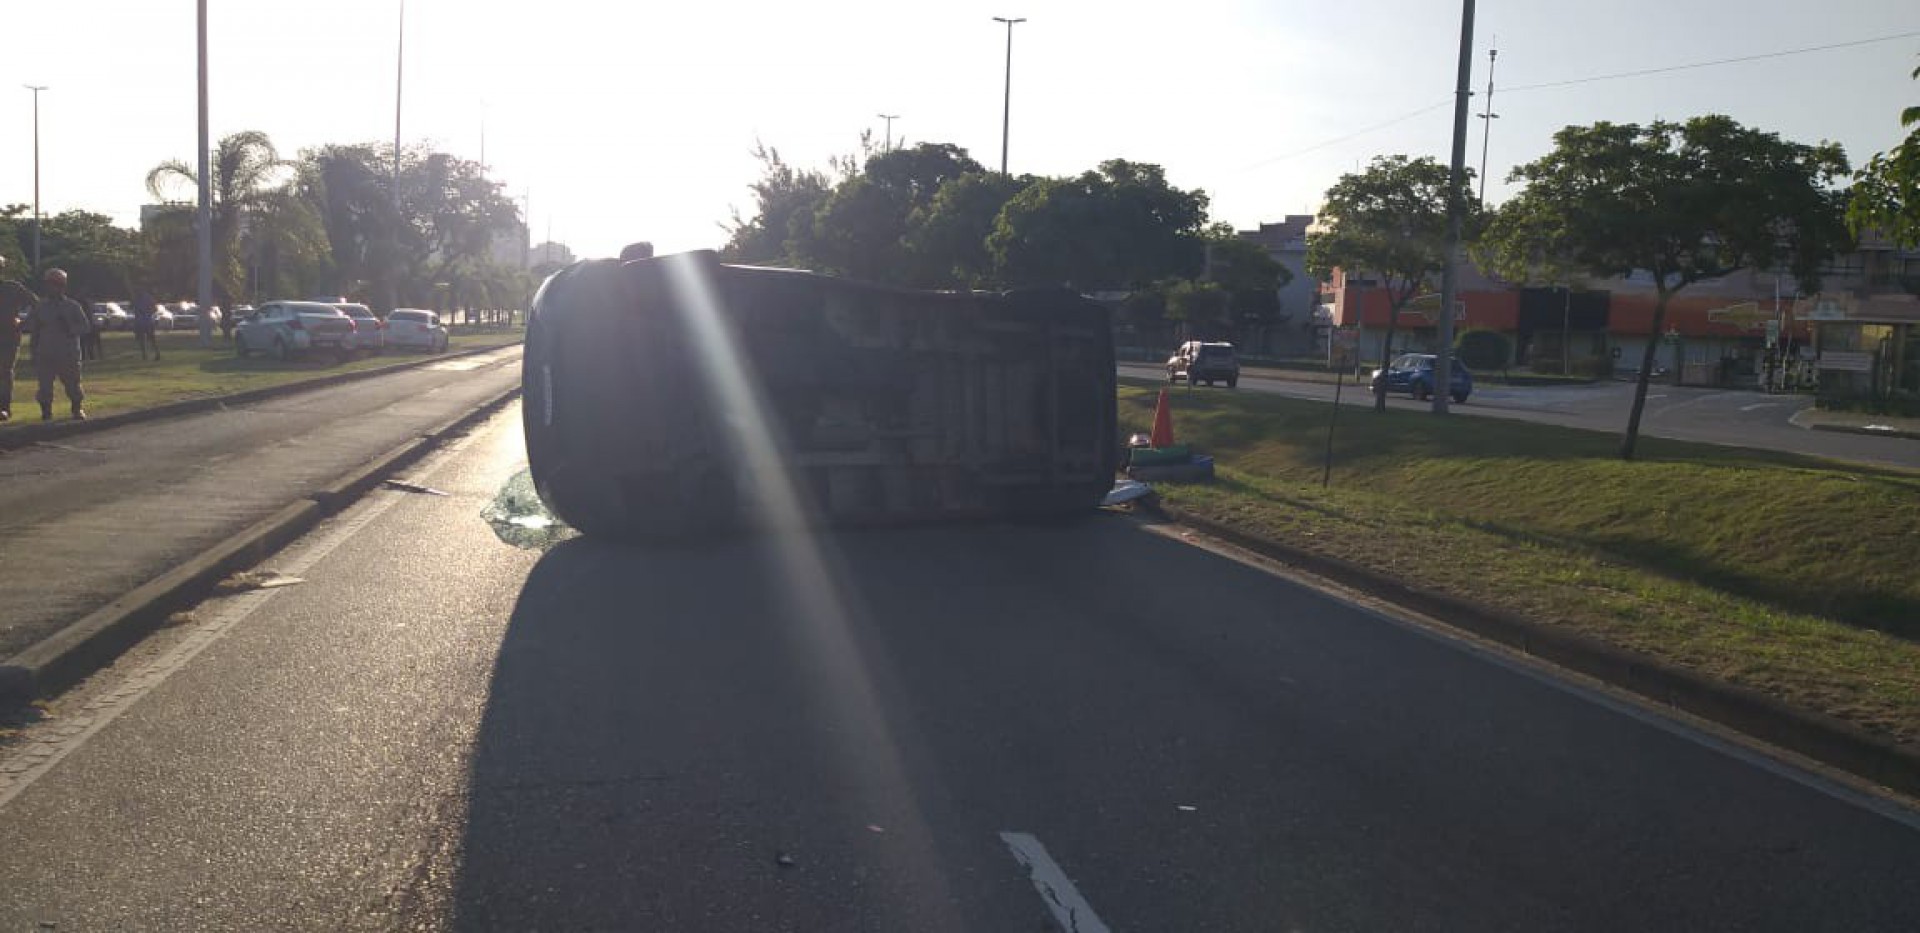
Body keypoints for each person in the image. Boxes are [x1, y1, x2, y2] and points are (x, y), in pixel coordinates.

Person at [26, 268, 91, 421]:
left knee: (72, 383)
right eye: (48, 284)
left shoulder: (72, 306)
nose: (51, 287)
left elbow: (86, 327)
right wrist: (33, 351)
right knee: (44, 386)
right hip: (45, 353)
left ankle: (77, 408)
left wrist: (70, 328)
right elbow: (34, 331)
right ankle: (46, 412)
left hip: (68, 353)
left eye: (55, 284)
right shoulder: (40, 307)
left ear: (62, 286)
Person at [0, 258, 34, 422]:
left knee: (5, 372)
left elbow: (36, 304)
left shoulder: (12, 288)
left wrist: (23, 324)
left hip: (8, 336)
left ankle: (4, 407)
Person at [131, 290, 160, 360]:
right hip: (142, 321)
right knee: (143, 339)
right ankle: (145, 355)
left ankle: (155, 353)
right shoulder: (136, 298)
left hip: (145, 321)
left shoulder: (146, 298)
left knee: (150, 338)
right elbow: (133, 308)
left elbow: (155, 309)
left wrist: (147, 312)